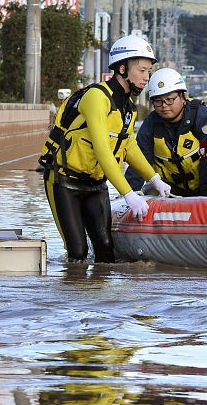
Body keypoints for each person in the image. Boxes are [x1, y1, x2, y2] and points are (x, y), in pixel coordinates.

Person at [38, 35, 171, 263]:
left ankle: (101, 297)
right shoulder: (96, 97)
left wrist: (155, 179)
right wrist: (129, 194)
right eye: (141, 70)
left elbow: (128, 145)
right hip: (64, 182)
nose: (146, 77)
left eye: (148, 71)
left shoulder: (129, 107)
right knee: (78, 253)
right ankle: (73, 293)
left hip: (96, 185)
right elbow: (102, 150)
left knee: (106, 251)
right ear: (122, 68)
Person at [125, 68, 207, 197]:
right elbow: (139, 161)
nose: (164, 105)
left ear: (183, 97)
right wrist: (129, 195)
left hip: (206, 186)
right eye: (158, 101)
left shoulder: (204, 118)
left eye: (170, 99)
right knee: (149, 192)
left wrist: (205, 200)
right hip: (170, 190)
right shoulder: (150, 124)